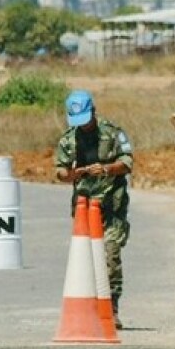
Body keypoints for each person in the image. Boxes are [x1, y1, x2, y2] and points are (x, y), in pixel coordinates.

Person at [55, 90, 134, 329]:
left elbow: (128, 162)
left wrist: (108, 168)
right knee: (85, 259)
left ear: (94, 112)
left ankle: (112, 308)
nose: (84, 126)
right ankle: (88, 307)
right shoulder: (68, 139)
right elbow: (59, 170)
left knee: (110, 256)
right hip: (83, 209)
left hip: (111, 206)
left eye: (86, 120)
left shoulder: (113, 133)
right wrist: (71, 174)